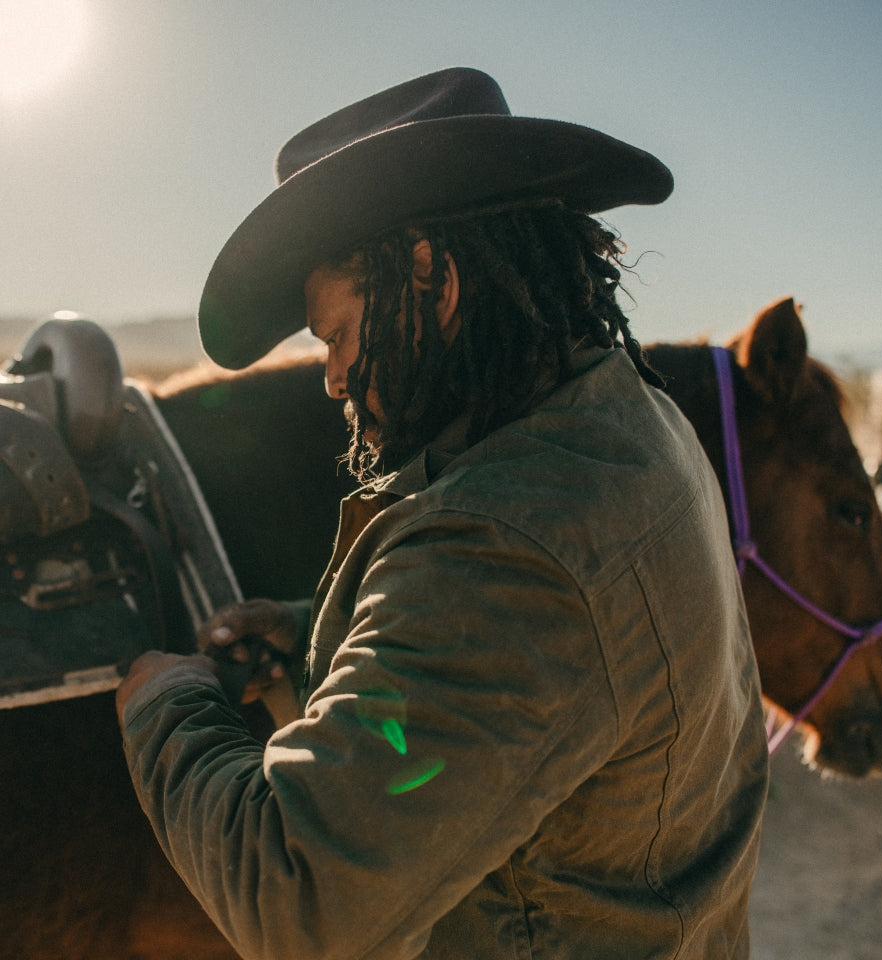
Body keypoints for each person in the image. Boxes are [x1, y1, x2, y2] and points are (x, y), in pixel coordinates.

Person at [117, 67, 769, 960]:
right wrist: (324, 635)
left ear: (429, 278)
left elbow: (300, 900)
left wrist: (168, 707)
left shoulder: (506, 542)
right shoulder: (628, 422)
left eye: (338, 335)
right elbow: (552, 657)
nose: (334, 378)